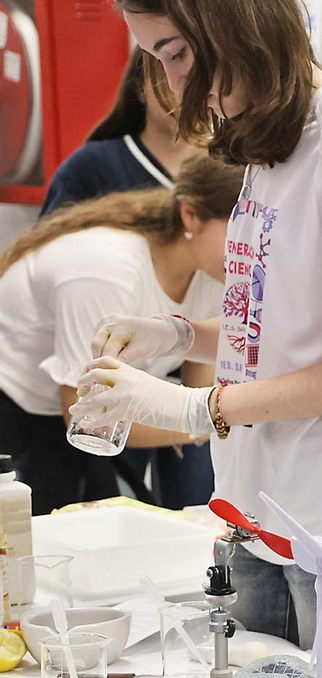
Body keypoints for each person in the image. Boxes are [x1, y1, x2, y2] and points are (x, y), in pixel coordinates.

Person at [75, 0, 322, 646]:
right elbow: (288, 328)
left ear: (231, 24)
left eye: (174, 54)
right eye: (156, 60)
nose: (172, 85)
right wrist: (178, 333)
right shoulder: (269, 146)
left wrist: (197, 408)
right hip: (258, 518)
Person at [0, 155, 237, 513]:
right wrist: (213, 420)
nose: (248, 247)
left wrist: (207, 417)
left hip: (82, 411)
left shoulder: (216, 273)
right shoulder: (107, 271)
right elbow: (87, 417)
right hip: (19, 402)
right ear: (191, 215)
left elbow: (200, 390)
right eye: (237, 228)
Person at [41, 51, 216, 510]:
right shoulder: (93, 169)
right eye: (168, 73)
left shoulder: (228, 172)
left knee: (199, 506)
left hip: (186, 373)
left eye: (195, 75)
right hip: (97, 369)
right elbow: (56, 269)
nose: (182, 88)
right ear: (141, 85)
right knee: (108, 497)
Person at [41, 52, 195, 215]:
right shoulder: (91, 169)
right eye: (166, 77)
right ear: (140, 86)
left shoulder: (221, 166)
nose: (184, 91)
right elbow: (47, 238)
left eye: (199, 78)